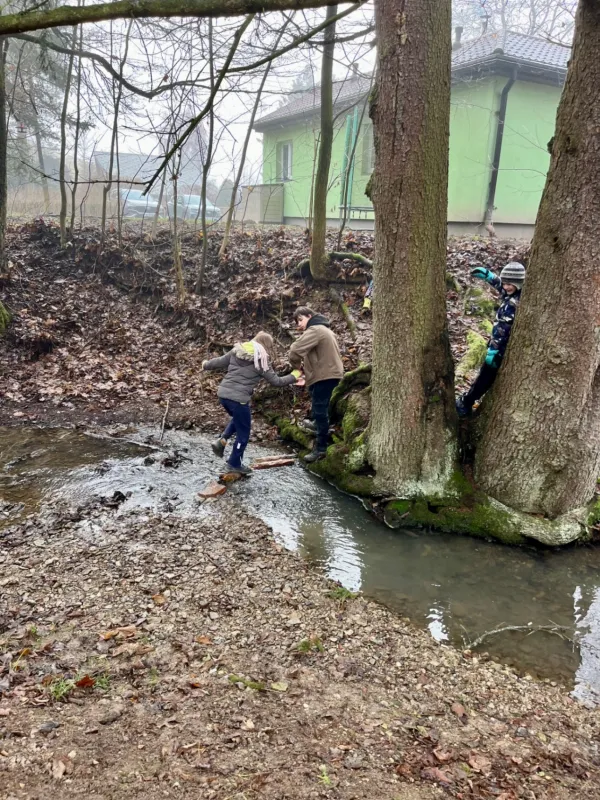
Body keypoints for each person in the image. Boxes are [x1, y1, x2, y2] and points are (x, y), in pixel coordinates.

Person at [203, 331, 303, 474]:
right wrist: (294, 375)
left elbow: (218, 362)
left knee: (239, 419)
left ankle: (222, 441)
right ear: (266, 345)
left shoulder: (237, 351)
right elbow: (277, 381)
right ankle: (233, 464)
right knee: (243, 434)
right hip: (238, 399)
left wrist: (205, 364)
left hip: (223, 395)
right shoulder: (261, 360)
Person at [456, 261, 526, 417]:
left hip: (499, 351)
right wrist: (488, 276)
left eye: (510, 284)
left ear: (518, 284)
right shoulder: (513, 292)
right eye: (505, 283)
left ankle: (466, 403)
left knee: (484, 379)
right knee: (484, 377)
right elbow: (502, 285)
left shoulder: (514, 304)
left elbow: (503, 331)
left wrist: (493, 350)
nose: (506, 287)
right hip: (496, 347)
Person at [289, 307, 344, 463]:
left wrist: (297, 368)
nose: (299, 325)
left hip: (324, 375)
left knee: (320, 410)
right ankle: (317, 425)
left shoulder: (315, 330)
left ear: (310, 316)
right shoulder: (326, 329)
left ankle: (321, 448)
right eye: (297, 322)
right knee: (321, 406)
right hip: (331, 373)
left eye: (300, 320)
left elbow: (294, 350)